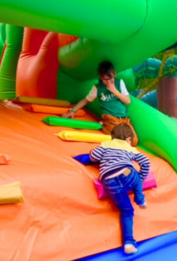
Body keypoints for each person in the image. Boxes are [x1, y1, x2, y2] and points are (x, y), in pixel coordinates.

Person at [89, 124, 151, 254]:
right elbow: (145, 162)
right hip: (126, 172)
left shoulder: (105, 144)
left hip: (109, 181)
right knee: (137, 177)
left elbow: (93, 157)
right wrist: (141, 177)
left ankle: (128, 243)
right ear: (129, 139)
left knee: (126, 211)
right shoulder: (130, 148)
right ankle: (140, 199)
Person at [63, 61, 137, 146]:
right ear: (101, 77)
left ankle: (103, 125)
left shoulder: (119, 82)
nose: (108, 82)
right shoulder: (98, 88)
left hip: (124, 118)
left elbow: (127, 101)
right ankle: (104, 125)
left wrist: (115, 91)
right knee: (117, 138)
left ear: (114, 74)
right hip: (110, 118)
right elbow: (86, 100)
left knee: (134, 141)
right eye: (105, 79)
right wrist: (72, 110)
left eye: (110, 78)